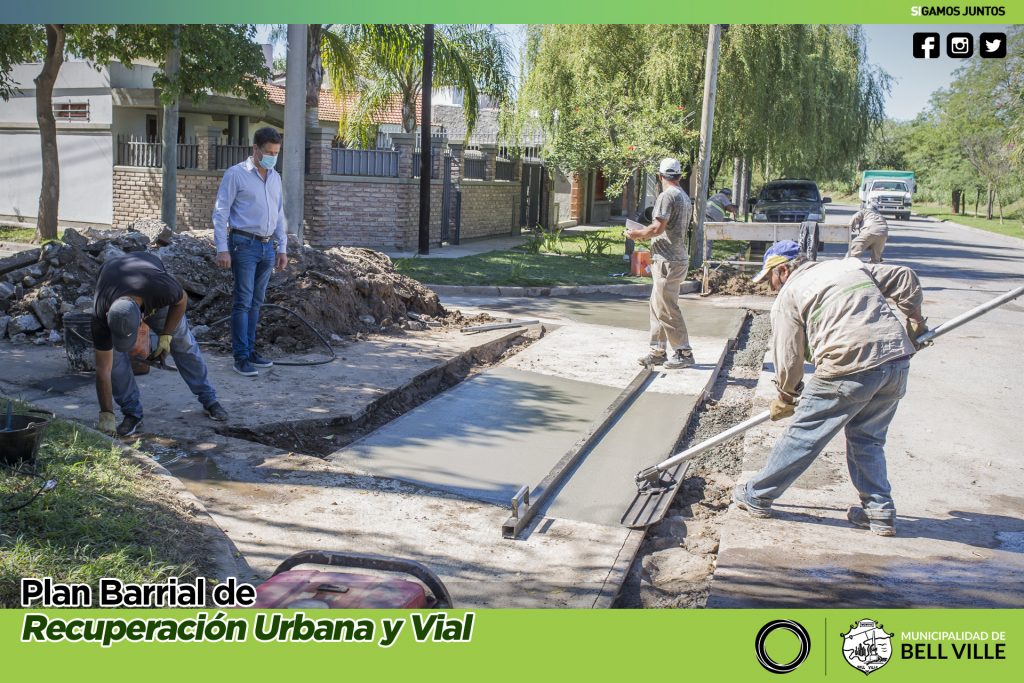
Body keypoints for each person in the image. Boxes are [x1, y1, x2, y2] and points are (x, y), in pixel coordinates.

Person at [731, 240, 929, 536]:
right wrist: (915, 320)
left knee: (804, 434)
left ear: (783, 270)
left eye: (770, 278)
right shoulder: (848, 266)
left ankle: (758, 494)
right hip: (895, 361)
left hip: (849, 364)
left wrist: (787, 395)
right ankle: (879, 511)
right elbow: (904, 276)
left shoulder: (790, 294)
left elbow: (788, 355)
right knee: (868, 439)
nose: (770, 286)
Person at [92, 252, 227, 437]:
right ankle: (132, 414)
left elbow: (182, 300)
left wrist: (165, 336)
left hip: (151, 289)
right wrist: (106, 414)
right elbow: (103, 370)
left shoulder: (162, 289)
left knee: (183, 343)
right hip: (114, 283)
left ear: (141, 320)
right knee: (113, 361)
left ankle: (209, 400)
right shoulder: (101, 314)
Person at [213, 126, 289, 377]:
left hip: (267, 247)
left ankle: (251, 349)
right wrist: (222, 248)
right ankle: (241, 357)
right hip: (243, 244)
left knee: (256, 302)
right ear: (255, 149)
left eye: (276, 153)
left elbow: (278, 214)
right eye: (268, 152)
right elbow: (221, 211)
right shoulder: (236, 175)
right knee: (243, 301)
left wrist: (282, 247)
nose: (272, 157)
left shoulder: (275, 177)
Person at [624, 158, 695, 369]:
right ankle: (657, 351)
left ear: (660, 176)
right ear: (680, 176)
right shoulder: (683, 196)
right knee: (657, 306)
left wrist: (636, 234)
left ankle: (684, 352)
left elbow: (657, 228)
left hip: (668, 261)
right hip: (673, 259)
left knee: (666, 308)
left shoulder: (667, 196)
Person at [699, 187, 738, 263]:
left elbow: (718, 212)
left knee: (707, 239)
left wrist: (729, 219)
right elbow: (730, 208)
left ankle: (705, 259)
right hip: (710, 218)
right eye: (729, 197)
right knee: (708, 240)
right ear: (728, 195)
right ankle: (706, 261)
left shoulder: (716, 197)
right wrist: (734, 208)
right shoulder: (722, 196)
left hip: (708, 217)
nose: (729, 199)